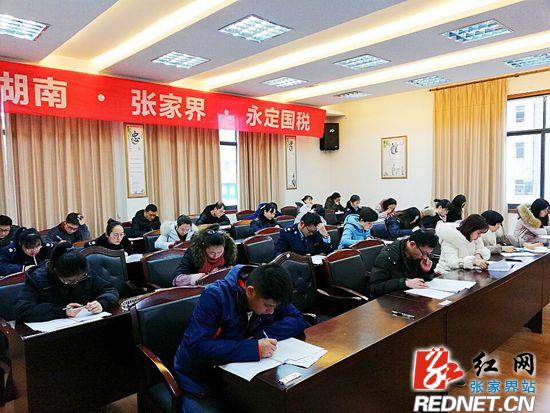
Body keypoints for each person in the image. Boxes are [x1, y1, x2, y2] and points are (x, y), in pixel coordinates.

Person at [173, 263, 306, 412]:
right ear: (250, 291)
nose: (271, 312)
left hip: (240, 375)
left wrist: (259, 335)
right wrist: (254, 348)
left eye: (275, 307)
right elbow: (197, 346)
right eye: (268, 306)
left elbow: (298, 319)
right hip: (200, 377)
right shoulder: (215, 296)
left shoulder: (270, 288)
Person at [14, 241, 119, 322]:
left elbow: (110, 290)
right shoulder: (38, 279)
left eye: (80, 279)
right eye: (70, 281)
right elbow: (22, 309)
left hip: (84, 324)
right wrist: (61, 311)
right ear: (56, 272)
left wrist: (102, 303)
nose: (76, 282)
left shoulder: (85, 273)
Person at [369, 229, 438, 298]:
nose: (424, 257)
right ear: (412, 244)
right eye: (423, 253)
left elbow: (420, 281)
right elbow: (375, 287)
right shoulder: (388, 256)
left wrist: (425, 272)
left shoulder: (417, 255)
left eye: (427, 254)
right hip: (389, 299)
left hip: (409, 296)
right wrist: (404, 282)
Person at [172, 227, 237, 286]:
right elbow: (177, 280)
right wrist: (194, 278)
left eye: (219, 252)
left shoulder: (228, 253)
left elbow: (233, 268)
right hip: (197, 289)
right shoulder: (193, 253)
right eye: (211, 253)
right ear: (204, 248)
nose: (215, 256)